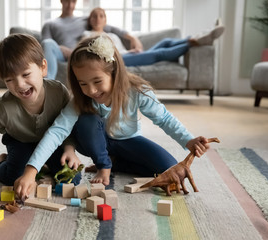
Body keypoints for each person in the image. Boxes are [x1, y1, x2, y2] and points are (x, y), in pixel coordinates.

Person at [13, 35, 211, 199]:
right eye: (82, 84)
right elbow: (57, 131)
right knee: (86, 120)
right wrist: (30, 171)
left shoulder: (137, 91)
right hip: (94, 142)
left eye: (97, 81)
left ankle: (117, 163)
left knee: (169, 170)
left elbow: (165, 119)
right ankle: (104, 165)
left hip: (129, 141)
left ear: (114, 72)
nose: (90, 90)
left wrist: (188, 140)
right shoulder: (80, 100)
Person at [0, 33, 81, 196]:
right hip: (20, 142)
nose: (20, 84)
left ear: (43, 67)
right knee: (13, 177)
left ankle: (40, 163)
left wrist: (69, 148)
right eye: (9, 80)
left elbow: (67, 125)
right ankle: (1, 162)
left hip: (52, 143)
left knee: (72, 178)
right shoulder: (4, 107)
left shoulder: (59, 92)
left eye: (26, 74)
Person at [84, 7, 225, 67]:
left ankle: (195, 37)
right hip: (117, 60)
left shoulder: (111, 34)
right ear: (90, 20)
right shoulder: (87, 35)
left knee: (166, 41)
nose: (97, 19)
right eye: (94, 16)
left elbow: (119, 48)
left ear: (105, 20)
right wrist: (127, 53)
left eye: (101, 16)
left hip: (126, 55)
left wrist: (131, 50)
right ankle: (194, 42)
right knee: (159, 53)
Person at [42, 0, 143, 79]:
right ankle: (48, 83)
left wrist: (132, 38)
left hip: (82, 52)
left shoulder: (85, 20)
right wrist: (62, 48)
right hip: (62, 53)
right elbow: (46, 45)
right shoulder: (50, 24)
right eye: (67, 1)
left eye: (73, 1)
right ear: (61, 1)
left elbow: (110, 28)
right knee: (47, 43)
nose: (70, 5)